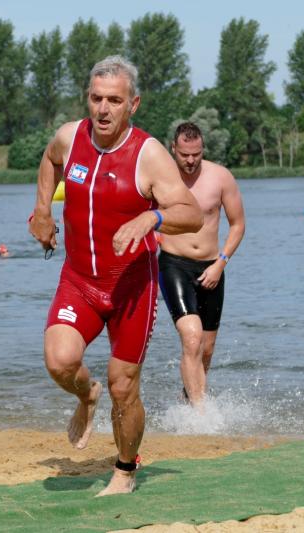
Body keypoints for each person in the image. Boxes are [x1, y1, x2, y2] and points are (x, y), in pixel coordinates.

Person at [28, 56, 202, 496]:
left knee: (123, 387)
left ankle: (125, 470)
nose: (103, 109)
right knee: (59, 361)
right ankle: (86, 396)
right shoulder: (71, 137)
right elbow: (49, 161)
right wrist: (43, 211)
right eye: (96, 98)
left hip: (131, 288)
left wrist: (152, 218)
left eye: (114, 100)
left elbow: (192, 214)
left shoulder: (149, 155)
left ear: (133, 104)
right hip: (79, 281)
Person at [159, 122, 246, 408]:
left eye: (196, 154)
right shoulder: (161, 178)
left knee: (206, 350)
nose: (190, 160)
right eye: (184, 154)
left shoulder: (221, 177)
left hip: (212, 268)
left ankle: (188, 400)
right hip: (174, 264)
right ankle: (200, 414)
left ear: (203, 149)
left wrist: (221, 263)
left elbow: (238, 225)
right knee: (192, 338)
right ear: (173, 148)